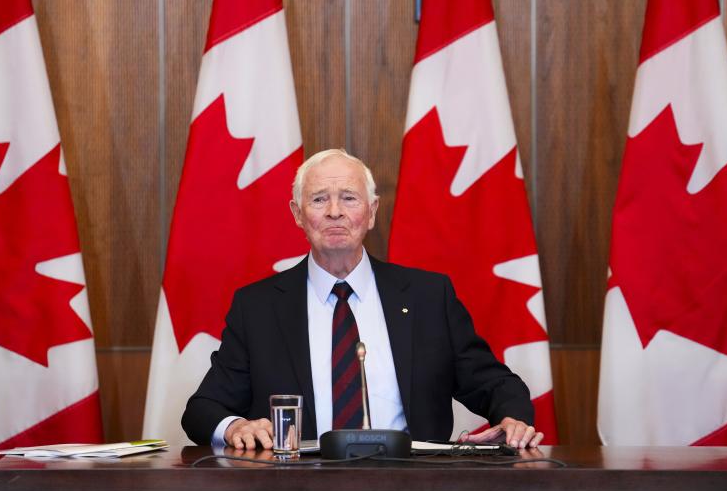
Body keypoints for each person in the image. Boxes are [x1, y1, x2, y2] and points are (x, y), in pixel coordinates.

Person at [182, 149, 543, 451]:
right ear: (297, 214)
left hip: (414, 490)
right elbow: (202, 409)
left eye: (349, 198)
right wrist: (233, 428)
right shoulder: (258, 307)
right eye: (319, 199)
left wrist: (512, 418)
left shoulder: (428, 297)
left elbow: (495, 384)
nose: (335, 212)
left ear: (371, 212)